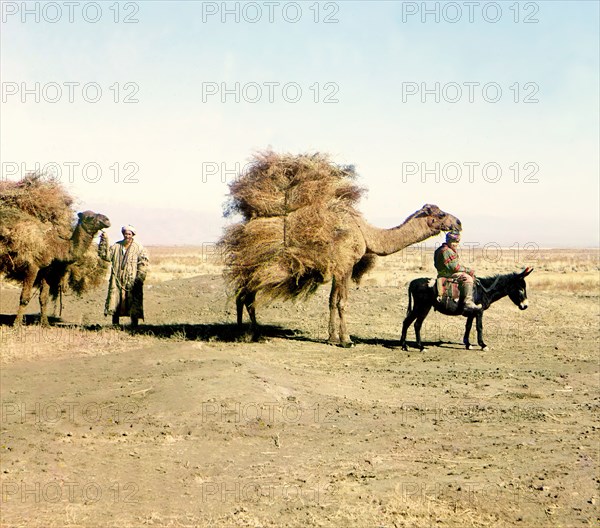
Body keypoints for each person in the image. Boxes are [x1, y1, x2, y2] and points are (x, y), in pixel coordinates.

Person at [98, 225, 149, 327]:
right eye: (125, 233)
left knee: (133, 300)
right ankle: (115, 324)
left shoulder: (139, 248)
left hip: (132, 279)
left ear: (133, 235)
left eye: (129, 234)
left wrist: (139, 279)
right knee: (115, 300)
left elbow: (143, 263)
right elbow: (106, 256)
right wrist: (104, 241)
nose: (127, 236)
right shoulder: (116, 246)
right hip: (117, 279)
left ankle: (134, 325)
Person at [434, 230, 482, 312]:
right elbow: (455, 267)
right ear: (448, 240)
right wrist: (468, 270)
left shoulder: (442, 249)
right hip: (448, 274)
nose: (455, 244)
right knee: (468, 278)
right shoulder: (447, 251)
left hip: (445, 271)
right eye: (454, 242)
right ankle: (468, 302)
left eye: (457, 242)